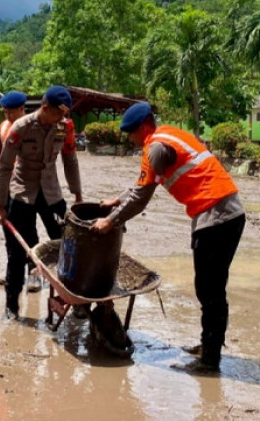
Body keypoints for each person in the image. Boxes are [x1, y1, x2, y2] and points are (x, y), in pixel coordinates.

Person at [91, 102, 245, 374]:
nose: (130, 139)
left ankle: (210, 360)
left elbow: (141, 197)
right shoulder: (168, 135)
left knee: (210, 291)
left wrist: (111, 220)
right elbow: (141, 185)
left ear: (142, 128)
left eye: (131, 134)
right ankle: (209, 345)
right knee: (210, 288)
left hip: (216, 216)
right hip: (225, 212)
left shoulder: (155, 148)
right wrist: (117, 199)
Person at [0, 85, 83, 320]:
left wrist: (78, 194)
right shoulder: (20, 127)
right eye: (57, 114)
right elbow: (4, 167)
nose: (61, 119)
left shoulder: (64, 127)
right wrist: (0, 205)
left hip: (51, 194)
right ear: (45, 108)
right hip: (23, 192)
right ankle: (11, 306)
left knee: (66, 246)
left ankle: (72, 299)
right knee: (16, 251)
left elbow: (70, 160)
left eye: (64, 115)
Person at [0, 90, 53, 292]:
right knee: (9, 231)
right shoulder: (4, 128)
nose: (8, 116)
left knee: (29, 232)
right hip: (7, 189)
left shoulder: (32, 128)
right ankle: (14, 275)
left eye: (12, 112)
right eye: (5, 112)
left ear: (22, 109)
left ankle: (34, 273)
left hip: (26, 190)